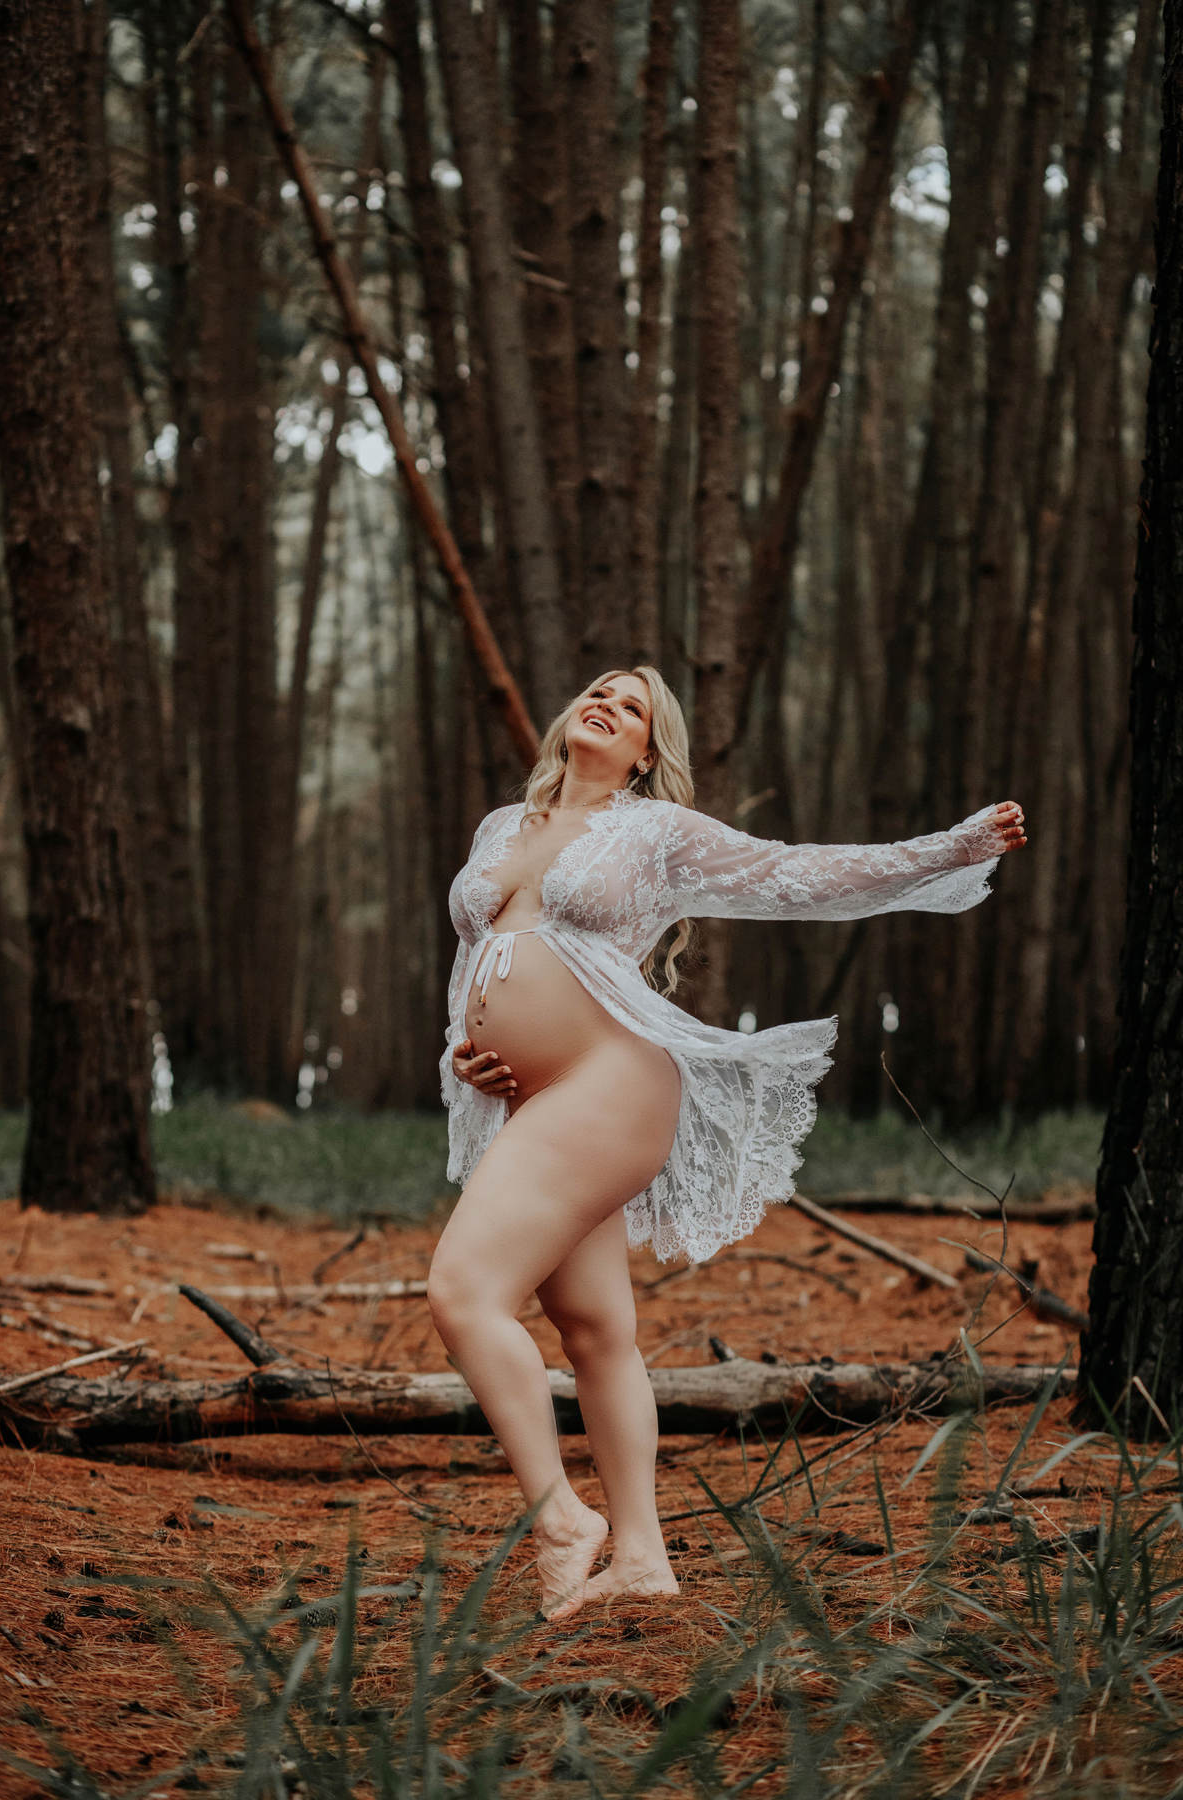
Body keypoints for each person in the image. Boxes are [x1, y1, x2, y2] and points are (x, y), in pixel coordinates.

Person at [427, 666, 1027, 1622]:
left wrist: (952, 847)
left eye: (632, 708)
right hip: (532, 1095)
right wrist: (466, 1053)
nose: (607, 705)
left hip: (609, 1083)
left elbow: (802, 872)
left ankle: (561, 1521)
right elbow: (479, 959)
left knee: (464, 1291)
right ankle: (642, 1557)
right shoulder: (500, 828)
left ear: (645, 755)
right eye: (599, 692)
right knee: (596, 1332)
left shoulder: (655, 832)